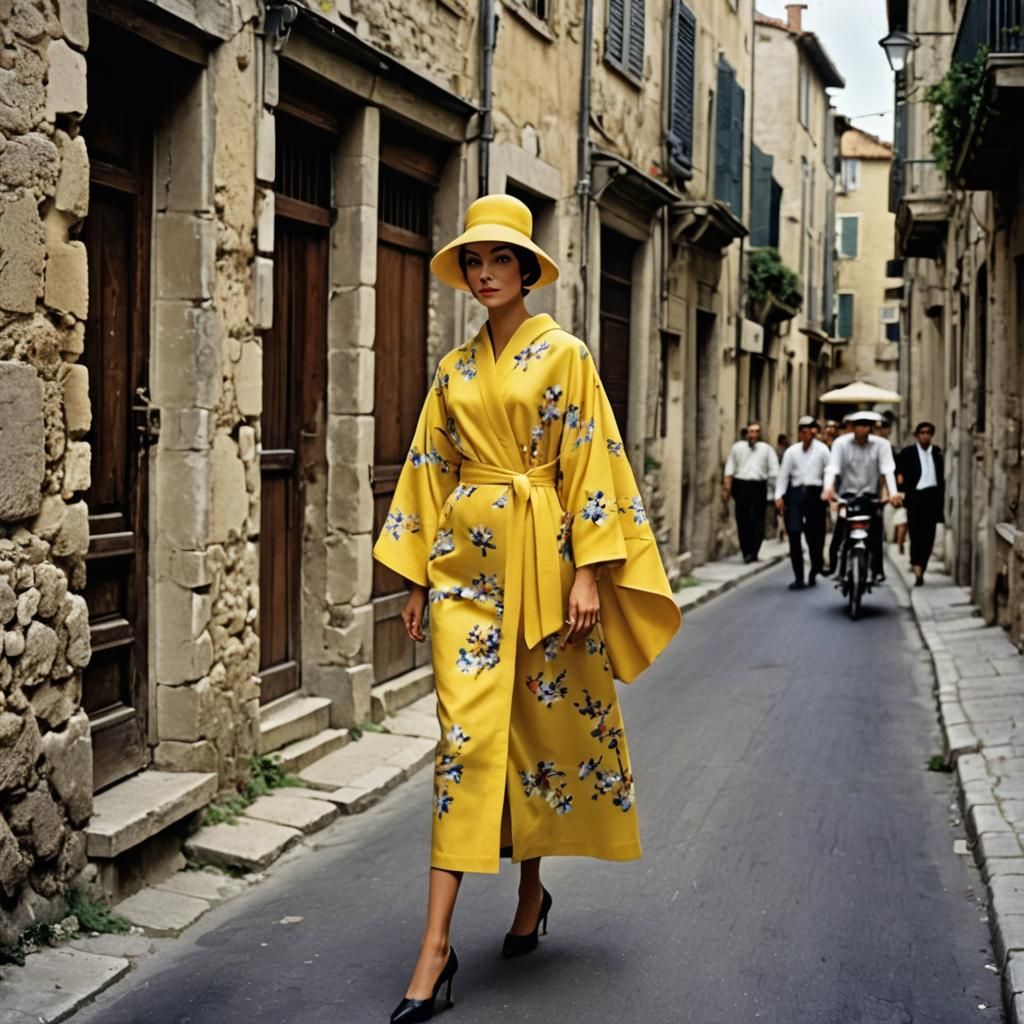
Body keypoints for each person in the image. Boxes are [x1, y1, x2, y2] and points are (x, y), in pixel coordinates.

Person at [372, 194, 681, 1023]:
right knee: (464, 745)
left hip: (548, 572)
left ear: (527, 269)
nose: (484, 275)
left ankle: (531, 893)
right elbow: (426, 470)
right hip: (463, 579)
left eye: (499, 260)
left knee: (540, 737)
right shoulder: (453, 369)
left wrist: (591, 571)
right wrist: (412, 577)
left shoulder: (567, 355)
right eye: (473, 262)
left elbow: (593, 460)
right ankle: (434, 949)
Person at [822, 410, 903, 584]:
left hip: (870, 497)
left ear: (871, 428)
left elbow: (888, 470)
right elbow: (832, 468)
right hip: (847, 496)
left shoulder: (882, 445)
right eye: (859, 425)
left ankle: (877, 570)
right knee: (840, 530)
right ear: (852, 427)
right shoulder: (840, 444)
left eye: (866, 425)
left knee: (875, 532)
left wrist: (893, 493)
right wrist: (828, 488)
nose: (862, 429)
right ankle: (835, 566)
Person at [774, 416, 830, 589]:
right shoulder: (792, 452)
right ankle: (799, 577)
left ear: (813, 432)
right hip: (796, 494)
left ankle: (815, 569)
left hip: (815, 494)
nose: (805, 434)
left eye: (808, 430)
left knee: (816, 536)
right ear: (799, 433)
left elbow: (829, 471)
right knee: (795, 535)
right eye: (802, 431)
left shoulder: (822, 450)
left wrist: (828, 491)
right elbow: (783, 475)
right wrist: (779, 496)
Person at [722, 422, 779, 563]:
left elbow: (774, 470)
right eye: (750, 431)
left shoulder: (766, 449)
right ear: (746, 433)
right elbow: (730, 468)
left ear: (759, 434)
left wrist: (774, 492)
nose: (753, 435)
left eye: (756, 432)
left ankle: (754, 551)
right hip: (741, 485)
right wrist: (727, 488)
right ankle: (746, 551)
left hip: (759, 485)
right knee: (742, 519)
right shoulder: (737, 448)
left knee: (758, 520)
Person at [896, 421, 945, 586]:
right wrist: (901, 491)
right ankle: (917, 570)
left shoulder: (937, 454)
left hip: (932, 497)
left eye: (928, 433)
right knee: (916, 535)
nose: (925, 436)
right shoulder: (908, 453)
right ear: (917, 435)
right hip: (915, 497)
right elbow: (899, 473)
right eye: (922, 433)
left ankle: (922, 566)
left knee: (928, 536)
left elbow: (941, 480)